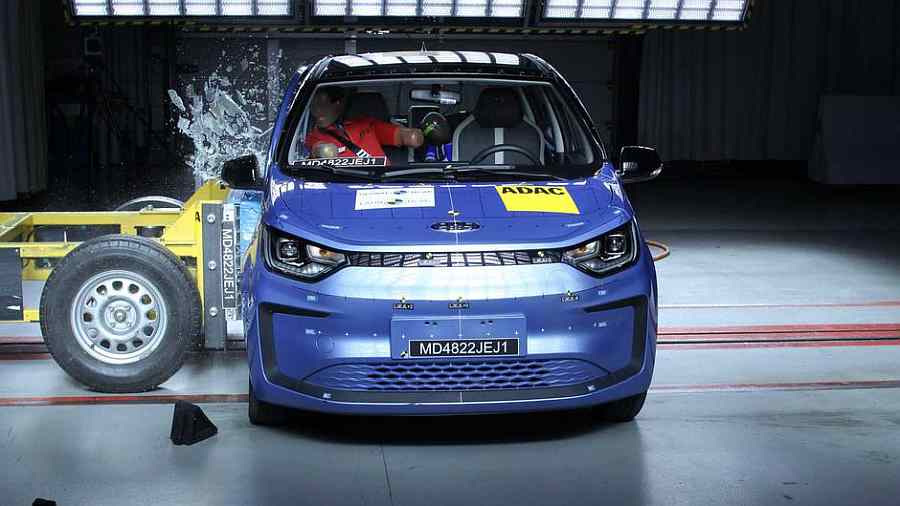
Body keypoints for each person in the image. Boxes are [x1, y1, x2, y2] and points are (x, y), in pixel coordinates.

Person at [305, 88, 424, 160]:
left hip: (387, 183)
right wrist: (321, 151)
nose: (318, 110)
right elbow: (317, 149)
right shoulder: (314, 136)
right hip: (346, 186)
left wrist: (414, 135)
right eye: (314, 106)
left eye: (324, 104)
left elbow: (403, 136)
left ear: (339, 103)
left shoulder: (367, 125)